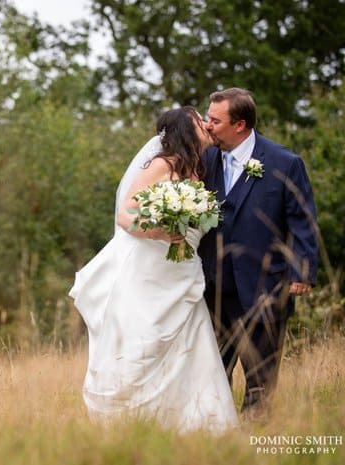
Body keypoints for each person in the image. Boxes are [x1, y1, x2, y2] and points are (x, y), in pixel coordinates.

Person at [69, 107, 238, 432]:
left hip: (182, 268)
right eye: (199, 122)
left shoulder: (196, 169)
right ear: (185, 132)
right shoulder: (162, 164)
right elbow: (125, 215)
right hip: (151, 268)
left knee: (192, 339)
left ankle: (197, 421)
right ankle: (138, 419)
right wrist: (159, 231)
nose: (206, 125)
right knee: (145, 339)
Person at [197, 88, 318, 414]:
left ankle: (257, 444)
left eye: (214, 120)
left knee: (261, 381)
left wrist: (302, 271)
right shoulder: (204, 160)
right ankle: (214, 440)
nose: (207, 125)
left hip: (266, 288)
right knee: (210, 376)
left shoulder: (284, 163)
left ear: (240, 125)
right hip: (212, 289)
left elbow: (302, 221)